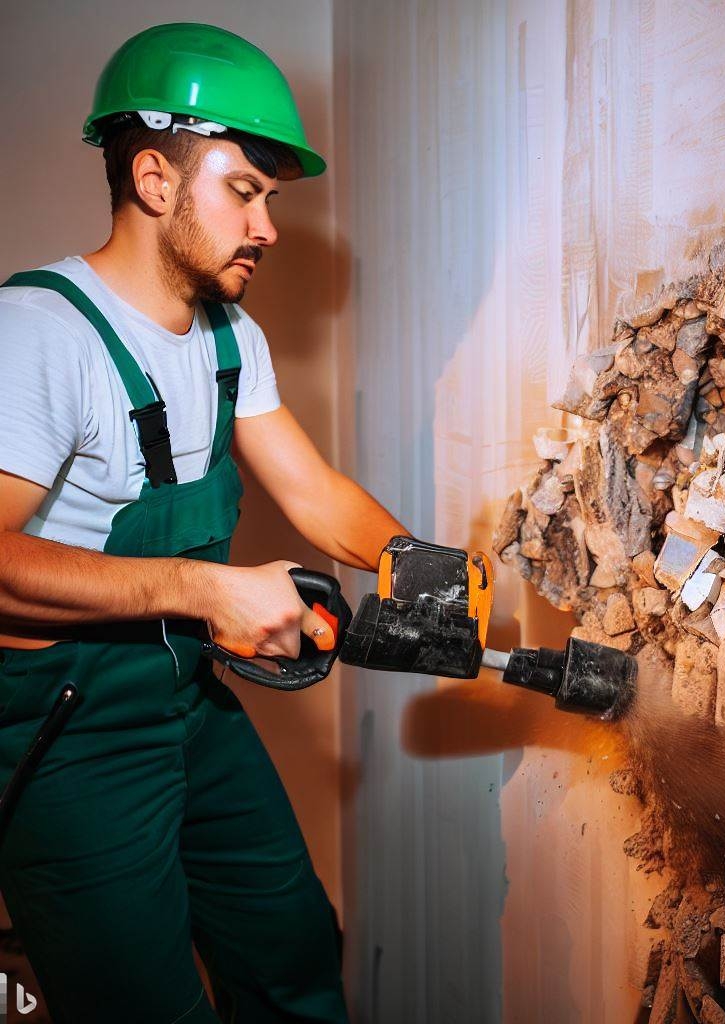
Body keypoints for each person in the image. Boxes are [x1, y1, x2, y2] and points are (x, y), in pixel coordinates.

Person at [0, 22, 403, 1023]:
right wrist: (206, 588)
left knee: (292, 953)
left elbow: (312, 495)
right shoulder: (41, 333)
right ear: (154, 178)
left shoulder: (231, 337)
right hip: (66, 732)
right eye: (246, 190)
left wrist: (417, 568)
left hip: (191, 703)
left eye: (270, 196)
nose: (268, 225)